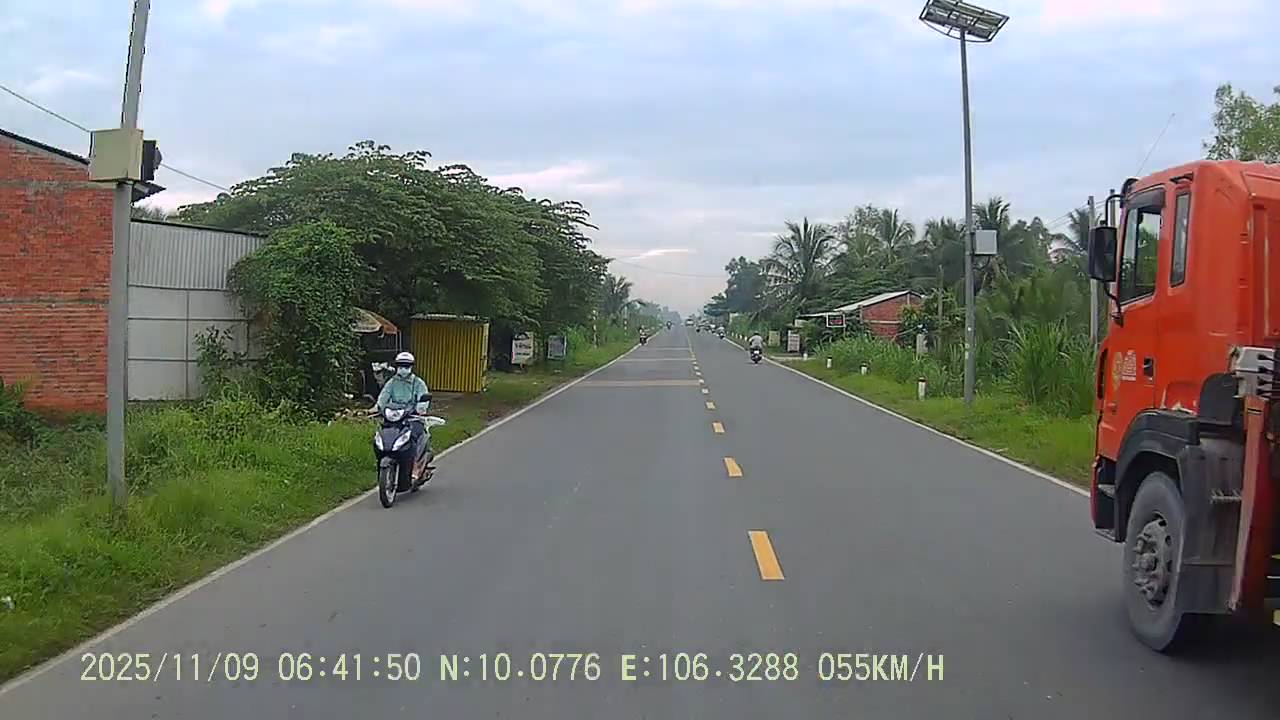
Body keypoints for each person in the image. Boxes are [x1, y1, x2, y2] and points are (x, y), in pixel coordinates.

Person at [376, 351, 431, 482]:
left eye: (406, 366)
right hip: (394, 418)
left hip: (412, 418)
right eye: (401, 365)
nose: (403, 368)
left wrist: (420, 409)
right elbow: (383, 397)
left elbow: (423, 399)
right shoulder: (392, 383)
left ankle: (416, 467)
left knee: (414, 436)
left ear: (411, 367)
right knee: (383, 434)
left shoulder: (418, 383)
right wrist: (378, 407)